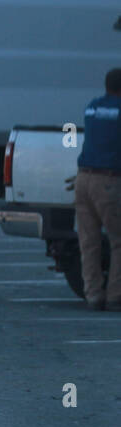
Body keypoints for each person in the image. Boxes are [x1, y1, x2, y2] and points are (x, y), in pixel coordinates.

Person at [75, 68, 121, 309]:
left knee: (89, 242)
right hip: (108, 182)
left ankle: (93, 295)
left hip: (83, 180)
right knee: (118, 240)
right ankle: (115, 296)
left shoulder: (92, 107)